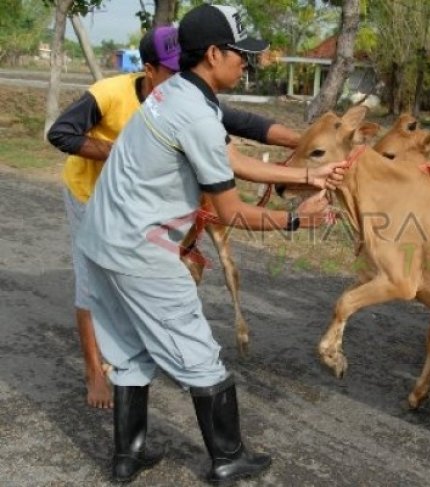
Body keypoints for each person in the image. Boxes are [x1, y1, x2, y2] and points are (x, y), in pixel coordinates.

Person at [75, 4, 346, 484]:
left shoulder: (175, 93)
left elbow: (230, 156)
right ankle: (228, 458)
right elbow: (232, 213)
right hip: (141, 249)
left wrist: (307, 172)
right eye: (242, 54)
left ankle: (127, 455)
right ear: (215, 53)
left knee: (130, 347)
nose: (248, 62)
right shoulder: (194, 113)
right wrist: (297, 221)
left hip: (101, 239)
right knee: (199, 353)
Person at [47, 26, 312, 409]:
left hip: (146, 206)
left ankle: (135, 370)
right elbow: (61, 133)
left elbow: (242, 123)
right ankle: (94, 370)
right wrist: (122, 151)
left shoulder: (182, 96)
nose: (185, 75)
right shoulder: (110, 94)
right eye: (175, 69)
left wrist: (305, 142)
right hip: (93, 195)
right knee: (94, 286)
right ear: (150, 69)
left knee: (143, 281)